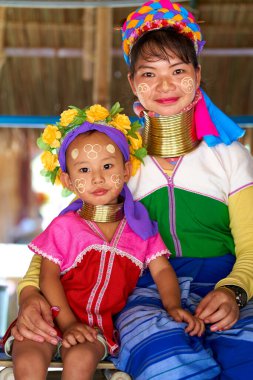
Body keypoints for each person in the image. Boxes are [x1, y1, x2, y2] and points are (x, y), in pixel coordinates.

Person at [7, 1, 253, 379]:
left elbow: (251, 244)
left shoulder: (230, 155)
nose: (165, 85)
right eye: (149, 74)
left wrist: (234, 292)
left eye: (178, 70)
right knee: (166, 363)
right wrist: (28, 293)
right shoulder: (120, 157)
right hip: (145, 292)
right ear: (132, 83)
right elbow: (67, 230)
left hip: (225, 283)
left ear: (198, 74)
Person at [1, 103, 204, 380]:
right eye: (83, 170)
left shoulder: (141, 230)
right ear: (68, 181)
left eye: (107, 166)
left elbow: (162, 270)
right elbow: (47, 279)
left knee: (82, 359)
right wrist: (68, 323)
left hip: (94, 327)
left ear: (126, 170)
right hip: (49, 319)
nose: (97, 177)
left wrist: (172, 306)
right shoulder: (65, 226)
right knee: (29, 359)